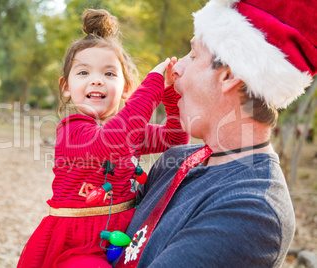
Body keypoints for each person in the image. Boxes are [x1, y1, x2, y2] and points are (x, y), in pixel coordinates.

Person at [113, 0, 317, 267]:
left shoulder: (253, 211)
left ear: (229, 76)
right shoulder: (173, 161)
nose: (175, 68)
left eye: (194, 55)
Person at [17, 9, 189, 268]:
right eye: (84, 73)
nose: (96, 81)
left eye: (109, 74)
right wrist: (153, 84)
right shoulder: (72, 130)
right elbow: (108, 144)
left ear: (127, 88)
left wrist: (170, 97)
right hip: (77, 246)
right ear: (66, 86)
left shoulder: (128, 131)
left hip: (125, 238)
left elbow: (174, 139)